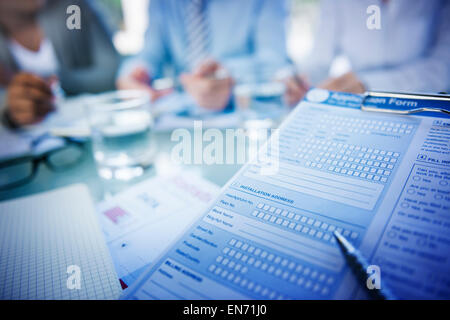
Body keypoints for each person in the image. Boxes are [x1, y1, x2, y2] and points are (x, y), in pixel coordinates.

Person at [116, 0, 290, 111]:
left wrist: (228, 76)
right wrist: (133, 74)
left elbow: (274, 62)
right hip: (179, 125)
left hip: (242, 117)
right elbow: (150, 54)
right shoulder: (162, 4)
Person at [284, 0, 450, 105]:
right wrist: (301, 80)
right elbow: (320, 59)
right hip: (361, 105)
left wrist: (367, 84)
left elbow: (443, 68)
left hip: (427, 106)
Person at [0, 0, 120, 127]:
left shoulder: (72, 8)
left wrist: (53, 82)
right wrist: (11, 105)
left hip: (90, 122)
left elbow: (112, 73)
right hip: (36, 137)